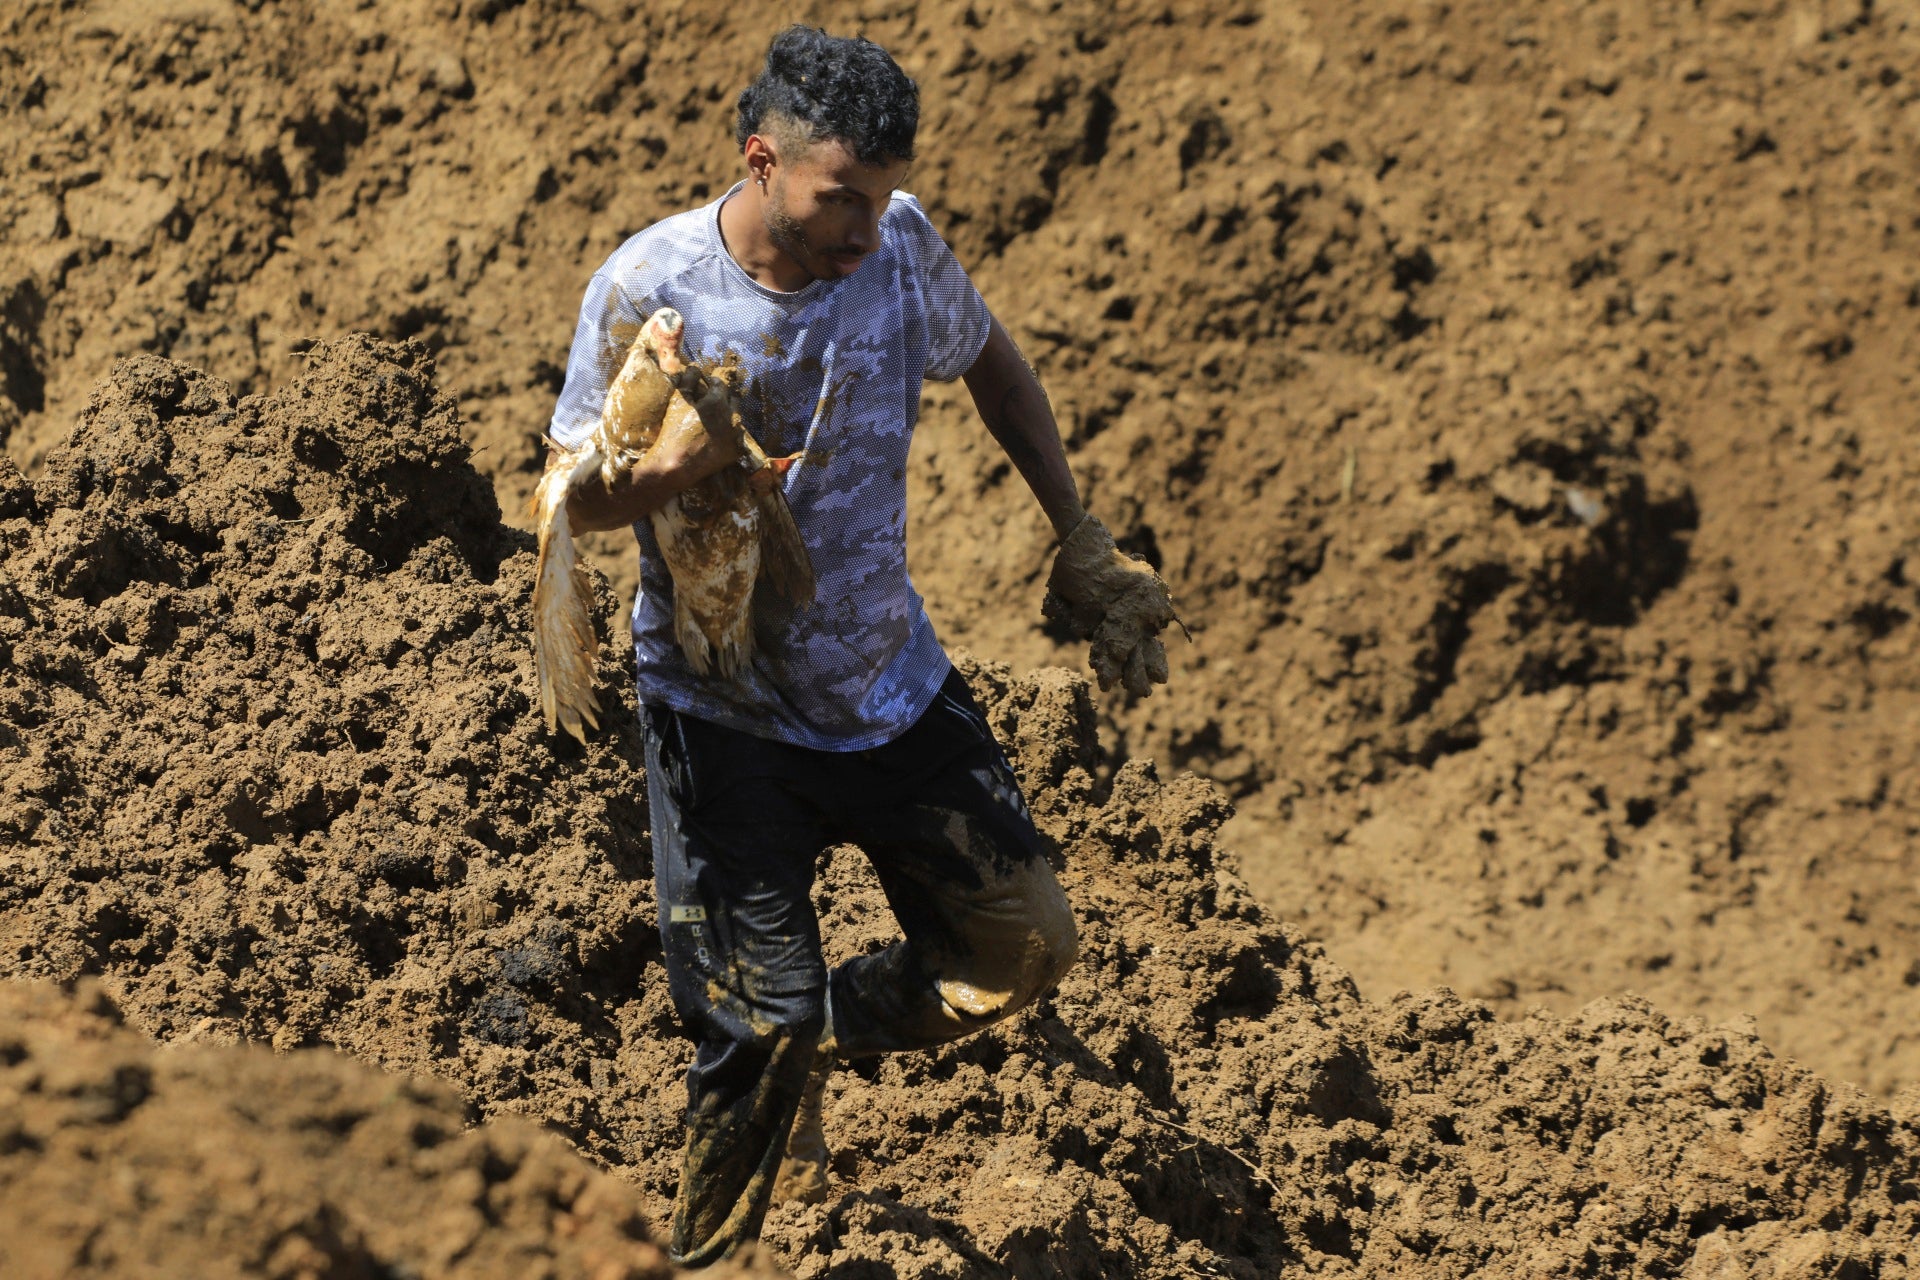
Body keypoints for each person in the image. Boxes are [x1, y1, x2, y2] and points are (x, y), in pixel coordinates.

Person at [547, 25, 1176, 1267]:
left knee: (1028, 941)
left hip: (890, 683)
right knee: (749, 1039)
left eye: (879, 195)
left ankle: (815, 1028)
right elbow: (566, 496)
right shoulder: (650, 287)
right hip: (723, 715)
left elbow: (994, 364)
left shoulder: (901, 249)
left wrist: (1081, 535)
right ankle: (715, 1254)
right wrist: (668, 467)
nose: (861, 224)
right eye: (841, 196)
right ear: (761, 160)